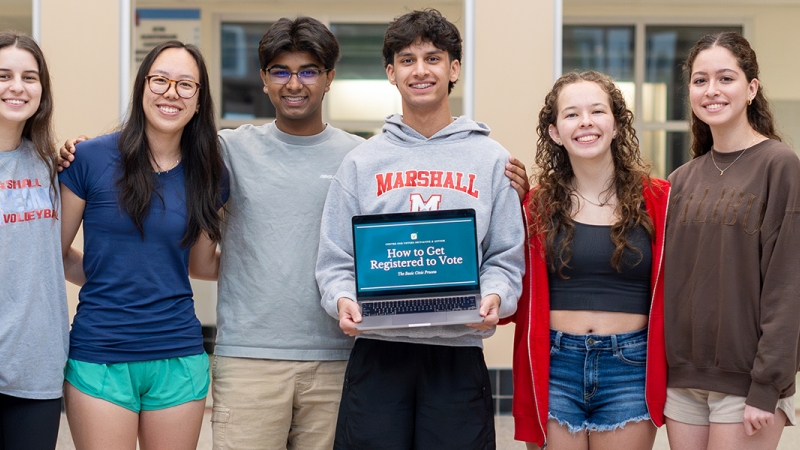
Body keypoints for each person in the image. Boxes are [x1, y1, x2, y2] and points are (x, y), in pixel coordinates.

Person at [315, 9, 525, 449]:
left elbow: (505, 256)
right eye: (407, 59)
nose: (421, 70)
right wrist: (343, 301)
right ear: (391, 73)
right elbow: (336, 259)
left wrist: (495, 296)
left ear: (454, 69)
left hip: (458, 352)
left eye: (433, 57)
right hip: (379, 350)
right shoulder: (361, 163)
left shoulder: (490, 159)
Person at [59, 40, 228, 450]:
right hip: (101, 353)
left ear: (199, 100)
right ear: (141, 87)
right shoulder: (88, 159)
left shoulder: (209, 174)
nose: (171, 92)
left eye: (186, 85)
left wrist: (275, 258)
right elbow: (55, 254)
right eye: (160, 80)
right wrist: (108, 276)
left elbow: (202, 266)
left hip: (179, 355)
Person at [507, 71, 669, 450]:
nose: (586, 123)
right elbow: (507, 279)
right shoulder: (537, 206)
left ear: (616, 123)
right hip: (554, 364)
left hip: (631, 366)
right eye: (571, 114)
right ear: (554, 132)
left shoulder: (660, 200)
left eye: (597, 111)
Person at [664, 31, 800, 450]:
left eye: (726, 78)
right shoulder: (680, 180)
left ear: (751, 88)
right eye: (700, 80)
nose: (712, 91)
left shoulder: (780, 166)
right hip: (682, 381)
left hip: (748, 384)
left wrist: (767, 386)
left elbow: (788, 284)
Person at [0, 31, 68, 450]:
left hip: (36, 364)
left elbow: (51, 255)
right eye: (3, 75)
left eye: (30, 77)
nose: (17, 87)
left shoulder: (48, 164)